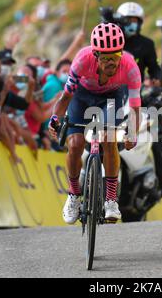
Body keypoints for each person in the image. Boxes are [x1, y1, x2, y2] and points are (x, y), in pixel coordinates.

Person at [49, 23, 140, 224]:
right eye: (106, 58)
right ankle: (74, 194)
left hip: (112, 96)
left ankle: (110, 199)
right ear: (96, 55)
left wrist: (132, 132)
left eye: (115, 56)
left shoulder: (130, 67)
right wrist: (55, 120)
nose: (112, 62)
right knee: (74, 144)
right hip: (82, 96)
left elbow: (134, 107)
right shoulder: (82, 60)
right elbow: (65, 98)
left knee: (109, 139)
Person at [116, 2, 161, 85]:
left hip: (136, 90)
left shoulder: (146, 44)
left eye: (134, 21)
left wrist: (156, 78)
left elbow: (154, 67)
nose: (131, 23)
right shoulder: (111, 40)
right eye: (128, 20)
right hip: (111, 89)